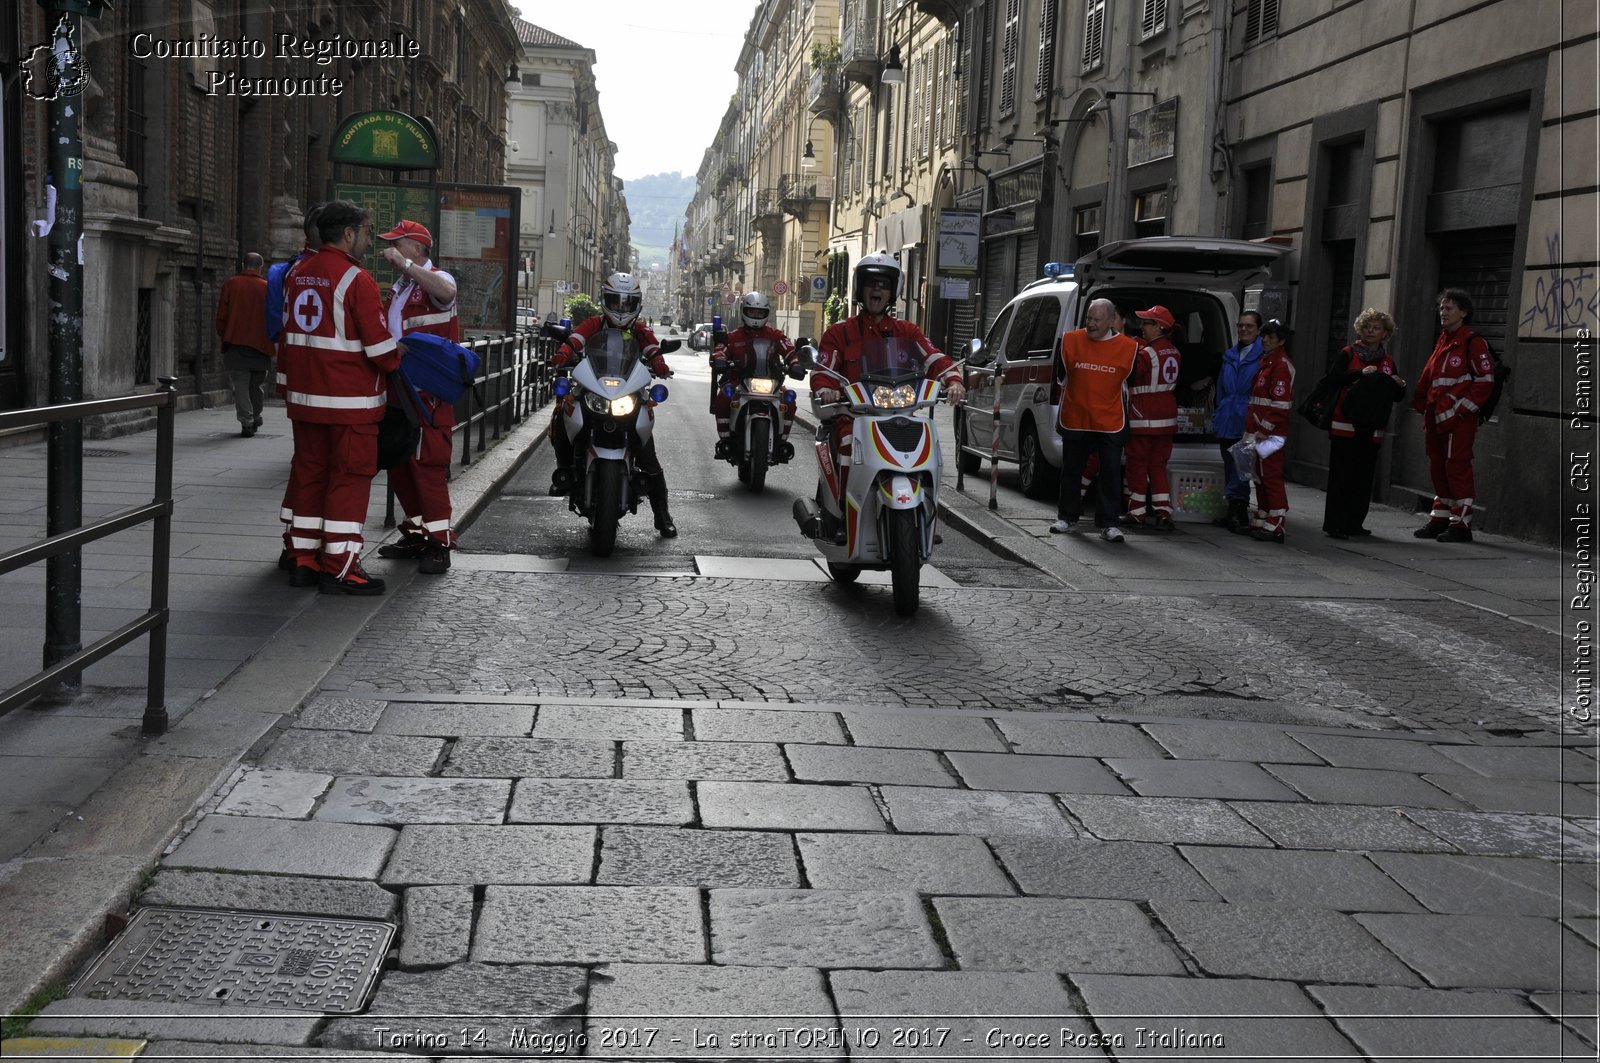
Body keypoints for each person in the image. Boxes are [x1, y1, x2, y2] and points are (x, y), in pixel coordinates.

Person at [278, 200, 401, 594]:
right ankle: (341, 566)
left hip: (304, 399)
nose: (367, 239)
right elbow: (381, 351)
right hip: (350, 402)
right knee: (349, 480)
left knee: (309, 476)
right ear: (348, 233)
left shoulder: (298, 274)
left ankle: (303, 561)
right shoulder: (355, 279)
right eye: (366, 231)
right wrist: (400, 358)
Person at [812, 251, 965, 524]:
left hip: (900, 414)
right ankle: (843, 517)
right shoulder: (840, 332)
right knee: (848, 443)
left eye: (884, 284)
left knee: (928, 444)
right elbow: (824, 369)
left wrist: (953, 379)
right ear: (861, 288)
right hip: (855, 415)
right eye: (871, 283)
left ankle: (925, 516)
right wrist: (827, 389)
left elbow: (933, 357)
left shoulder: (907, 331)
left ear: (893, 291)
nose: (877, 289)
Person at [548, 272, 679, 537]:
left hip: (628, 392)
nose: (620, 308)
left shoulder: (639, 330)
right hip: (593, 388)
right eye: (615, 302)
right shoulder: (594, 323)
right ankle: (563, 469)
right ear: (605, 301)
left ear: (635, 305)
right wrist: (562, 355)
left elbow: (652, 348)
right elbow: (576, 339)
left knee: (647, 452)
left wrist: (660, 365)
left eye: (626, 303)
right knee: (562, 413)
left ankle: (662, 514)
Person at [372, 219, 461, 575]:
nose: (390, 249)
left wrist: (406, 266)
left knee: (427, 464)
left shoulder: (437, 278)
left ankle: (440, 543)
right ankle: (417, 532)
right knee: (400, 459)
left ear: (417, 248)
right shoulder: (402, 286)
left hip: (428, 389)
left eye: (399, 243)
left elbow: (447, 293)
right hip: (398, 384)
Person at [1411, 288, 1496, 543]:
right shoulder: (1444, 340)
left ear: (1464, 312)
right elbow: (1432, 375)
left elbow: (1485, 380)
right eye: (1441, 308)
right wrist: (1420, 400)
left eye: (1449, 308)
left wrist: (1461, 411)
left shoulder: (1473, 341)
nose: (1443, 313)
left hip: (1459, 420)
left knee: (1456, 467)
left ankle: (1461, 525)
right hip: (1436, 416)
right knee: (1438, 466)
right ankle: (1440, 518)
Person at [1049, 298, 1138, 542]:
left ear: (1112, 321)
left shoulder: (1129, 348)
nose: (1091, 323)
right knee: (1071, 469)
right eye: (1089, 318)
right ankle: (1066, 517)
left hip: (1110, 420)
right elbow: (1062, 376)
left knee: (1110, 472)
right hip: (1076, 417)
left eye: (1097, 319)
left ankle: (1109, 523)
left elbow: (1130, 381)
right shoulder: (1070, 341)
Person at [1321, 308, 1407, 539]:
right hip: (1344, 425)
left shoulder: (1388, 361)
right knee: (1341, 477)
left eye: (1376, 328)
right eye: (1367, 327)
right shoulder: (1348, 353)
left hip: (1372, 429)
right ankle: (1336, 524)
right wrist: (1359, 373)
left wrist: (1400, 385)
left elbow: (1395, 396)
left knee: (1363, 478)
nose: (1371, 331)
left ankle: (1355, 523)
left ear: (1385, 333)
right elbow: (1333, 379)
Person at [710, 291, 801, 455]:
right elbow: (720, 349)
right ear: (744, 311)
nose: (756, 315)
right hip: (740, 381)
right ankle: (726, 439)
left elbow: (789, 350)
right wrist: (720, 359)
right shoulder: (733, 336)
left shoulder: (775, 335)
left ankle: (781, 440)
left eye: (759, 313)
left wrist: (795, 364)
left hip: (770, 381)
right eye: (752, 312)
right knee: (723, 396)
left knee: (790, 400)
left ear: (766, 314)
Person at [1125, 305, 1183, 531]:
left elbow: (1131, 376)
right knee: (1158, 465)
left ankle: (1137, 512)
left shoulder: (1147, 353)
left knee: (1137, 465)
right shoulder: (1175, 351)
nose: (1142, 327)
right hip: (1167, 417)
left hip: (1144, 416)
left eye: (1147, 323)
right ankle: (1163, 511)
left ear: (1160, 327)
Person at [1242, 320, 1297, 543]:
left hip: (1270, 432)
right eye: (1264, 335)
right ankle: (1263, 515)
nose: (1265, 339)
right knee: (1259, 474)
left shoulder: (1281, 365)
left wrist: (1265, 428)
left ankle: (1276, 522)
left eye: (1270, 336)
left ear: (1281, 340)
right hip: (1259, 429)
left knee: (1270, 475)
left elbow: (1281, 404)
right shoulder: (1268, 362)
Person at [1210, 310, 1264, 531]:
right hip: (1228, 416)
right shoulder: (1231, 355)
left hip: (1247, 418)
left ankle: (1239, 511)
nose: (1244, 330)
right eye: (1241, 325)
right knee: (1230, 464)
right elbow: (1222, 388)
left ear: (1258, 330)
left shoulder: (1262, 357)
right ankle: (1233, 509)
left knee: (1242, 467)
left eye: (1249, 326)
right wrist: (1219, 411)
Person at [215, 253, 273, 438]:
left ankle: (247, 420)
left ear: (243, 264)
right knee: (256, 384)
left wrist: (224, 334)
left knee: (240, 384)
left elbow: (222, 314)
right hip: (261, 344)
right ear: (261, 267)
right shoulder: (267, 288)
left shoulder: (232, 284)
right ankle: (255, 415)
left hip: (236, 341)